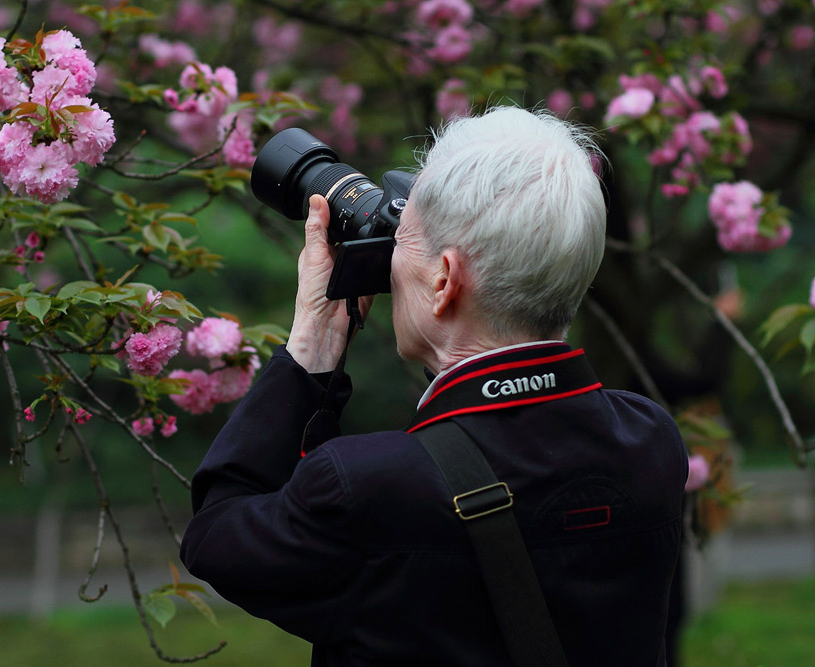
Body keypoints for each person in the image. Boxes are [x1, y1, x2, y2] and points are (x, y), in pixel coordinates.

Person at [180, 107, 688, 666]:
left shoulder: (366, 489)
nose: (390, 258)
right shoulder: (651, 444)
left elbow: (218, 534)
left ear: (444, 280)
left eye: (401, 237)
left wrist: (312, 348)